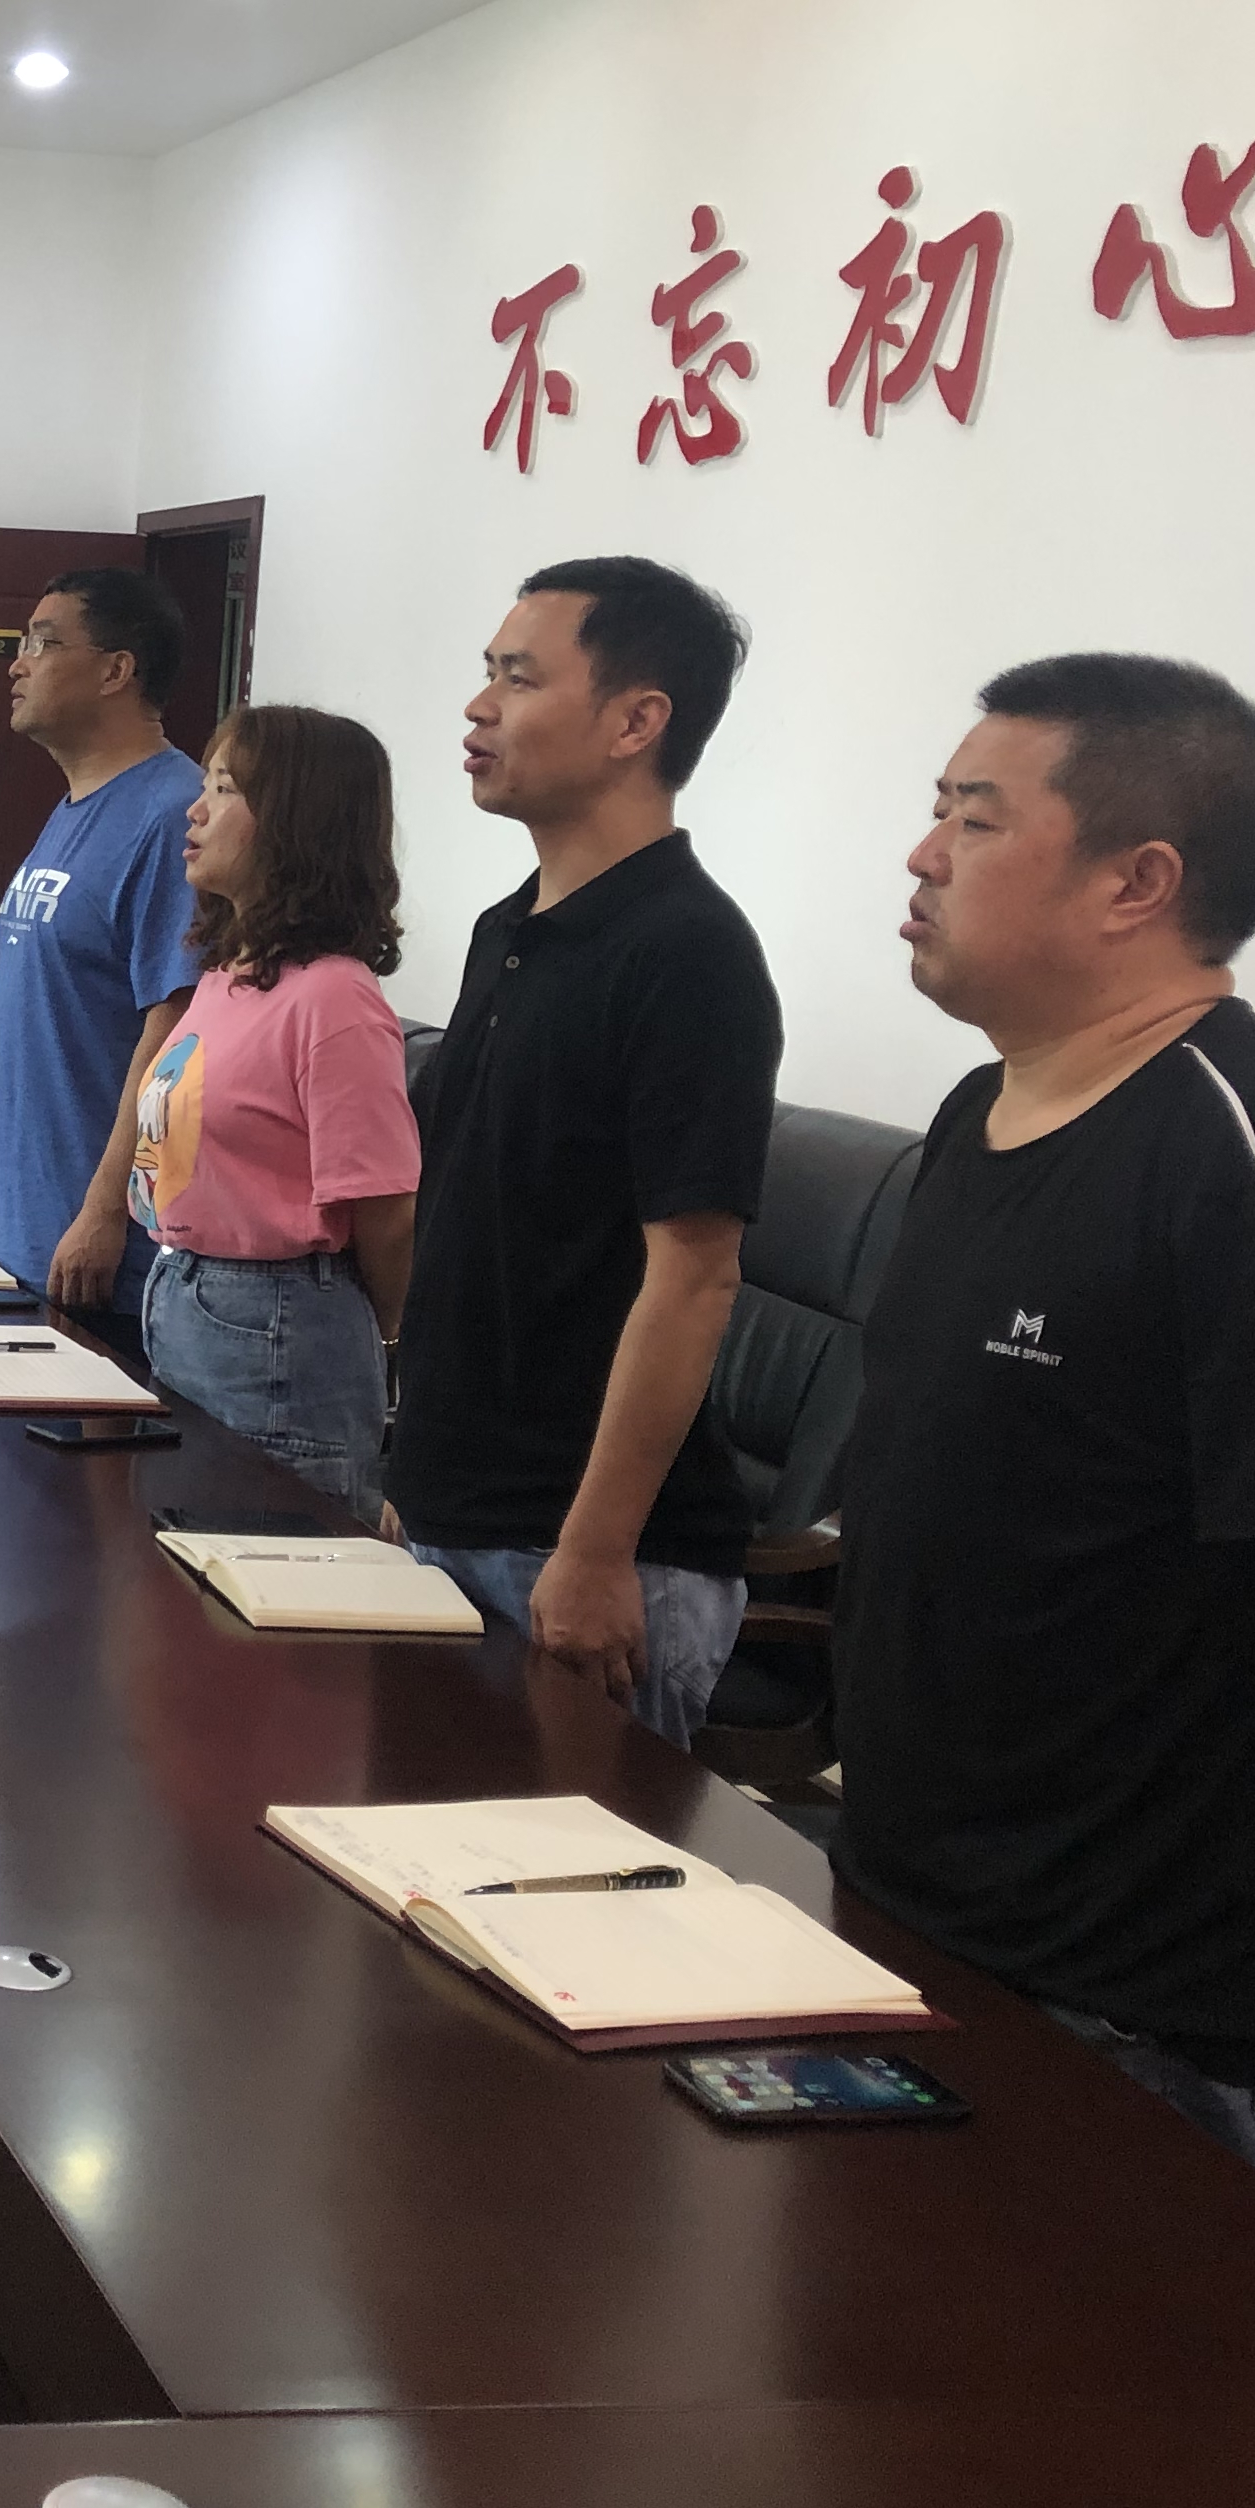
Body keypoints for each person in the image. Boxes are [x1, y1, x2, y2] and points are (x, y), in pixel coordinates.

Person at [833, 655, 1255, 2186]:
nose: (922, 854)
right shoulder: (981, 1116)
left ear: (1138, 881)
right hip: (921, 1910)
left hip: (1137, 1998)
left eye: (975, 819)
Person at [386, 557, 780, 1746]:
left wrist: (598, 1547)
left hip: (587, 1555)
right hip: (461, 1513)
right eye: (487, 674)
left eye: (518, 678)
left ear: (635, 722)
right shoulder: (510, 929)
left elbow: (694, 1276)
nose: (479, 707)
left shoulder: (688, 952)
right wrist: (416, 1478)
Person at [130, 706, 419, 1518]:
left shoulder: (335, 998)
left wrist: (389, 1350)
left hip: (278, 1321)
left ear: (295, 822)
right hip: (184, 1293)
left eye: (224, 789)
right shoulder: (229, 974)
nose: (195, 810)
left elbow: (386, 1210)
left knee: (261, 1557)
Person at [0, 567, 201, 1348]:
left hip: (92, 1251)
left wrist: (104, 1208)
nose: (17, 663)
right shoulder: (73, 805)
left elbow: (172, 1027)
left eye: (43, 643)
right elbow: (52, 1012)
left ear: (115, 670)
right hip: (15, 1223)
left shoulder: (172, 813)